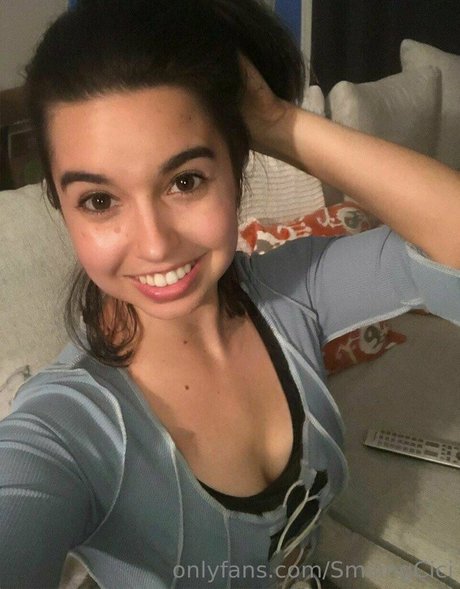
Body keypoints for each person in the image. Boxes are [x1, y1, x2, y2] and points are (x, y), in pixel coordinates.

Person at [1, 1, 459, 588]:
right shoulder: (68, 427)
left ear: (236, 169)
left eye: (185, 181)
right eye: (99, 201)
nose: (155, 244)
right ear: (62, 209)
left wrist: (278, 124)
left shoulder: (293, 292)